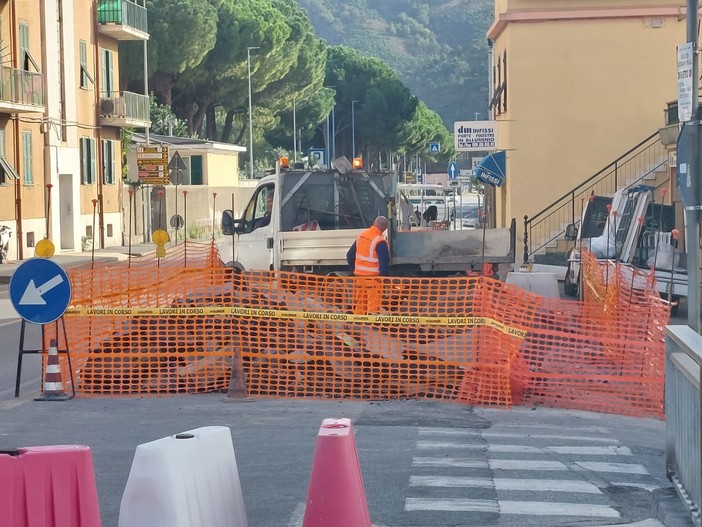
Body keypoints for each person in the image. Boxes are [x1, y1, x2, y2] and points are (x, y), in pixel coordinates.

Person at [346, 216, 390, 314]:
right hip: (373, 281)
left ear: (374, 223)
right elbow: (384, 264)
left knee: (359, 306)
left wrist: (356, 270)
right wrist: (384, 279)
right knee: (373, 308)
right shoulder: (380, 241)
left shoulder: (361, 236)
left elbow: (349, 256)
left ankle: (357, 325)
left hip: (359, 278)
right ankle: (370, 327)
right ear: (384, 229)